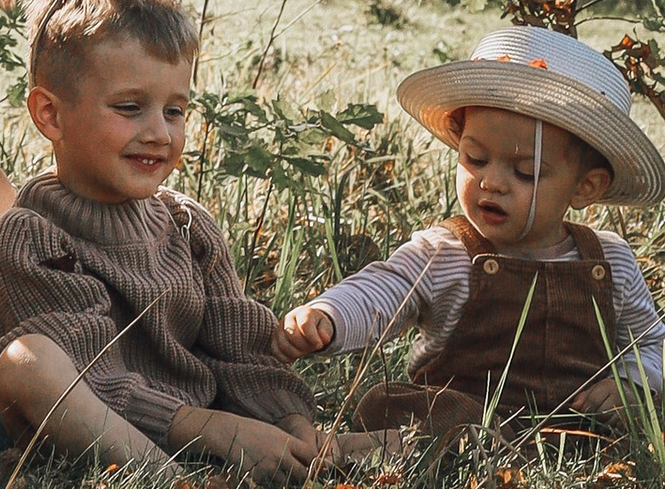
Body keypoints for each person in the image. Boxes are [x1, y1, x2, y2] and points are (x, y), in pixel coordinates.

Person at [0, 0, 326, 477]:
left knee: (368, 436)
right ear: (50, 115)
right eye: (129, 108)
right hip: (56, 424)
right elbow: (93, 372)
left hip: (180, 420)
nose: (158, 133)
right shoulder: (32, 237)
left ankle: (311, 457)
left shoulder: (187, 226)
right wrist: (219, 429)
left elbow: (240, 351)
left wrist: (293, 422)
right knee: (27, 361)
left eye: (175, 111)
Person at [278, 25, 665, 436]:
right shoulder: (446, 252)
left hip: (577, 428)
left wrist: (631, 384)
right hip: (465, 416)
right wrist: (329, 316)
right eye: (475, 159)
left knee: (631, 419)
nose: (492, 182)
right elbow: (383, 291)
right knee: (416, 410)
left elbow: (650, 343)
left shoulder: (610, 260)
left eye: (524, 171)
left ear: (586, 186)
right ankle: (463, 444)